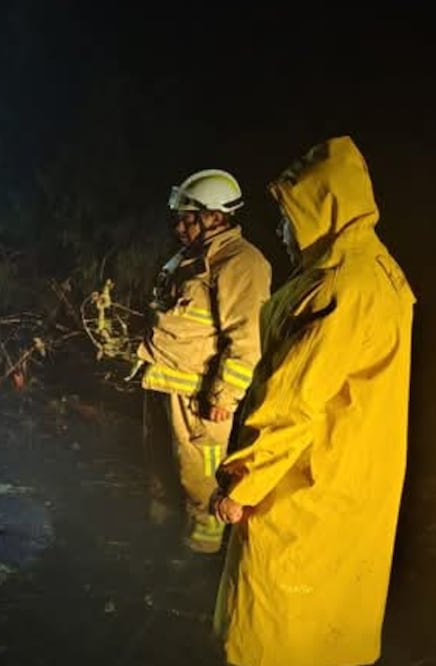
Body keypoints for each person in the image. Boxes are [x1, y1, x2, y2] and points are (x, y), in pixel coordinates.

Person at [211, 136, 415, 666]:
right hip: (352, 484)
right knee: (331, 628)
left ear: (325, 208)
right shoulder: (379, 273)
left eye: (288, 214)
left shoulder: (337, 289)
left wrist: (244, 482)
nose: (281, 230)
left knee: (271, 631)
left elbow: (293, 400)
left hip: (303, 488)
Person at [135, 168, 272, 553]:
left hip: (200, 400)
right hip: (164, 383)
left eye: (188, 218)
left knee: (201, 483)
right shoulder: (191, 258)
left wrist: (224, 397)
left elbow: (247, 339)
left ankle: (201, 559)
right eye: (178, 218)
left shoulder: (242, 263)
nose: (179, 226)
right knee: (162, 473)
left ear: (216, 215)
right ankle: (157, 546)